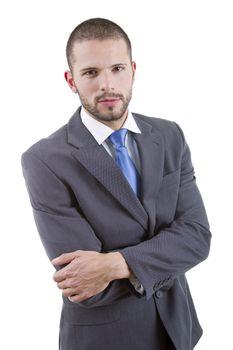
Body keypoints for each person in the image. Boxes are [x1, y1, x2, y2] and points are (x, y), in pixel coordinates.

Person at [21, 18, 211, 350]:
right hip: (106, 339)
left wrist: (114, 264)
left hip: (179, 331)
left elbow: (197, 238)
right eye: (91, 73)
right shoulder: (45, 160)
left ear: (133, 70)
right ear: (71, 80)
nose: (107, 84)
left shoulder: (169, 136)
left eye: (117, 68)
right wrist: (165, 256)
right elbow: (87, 287)